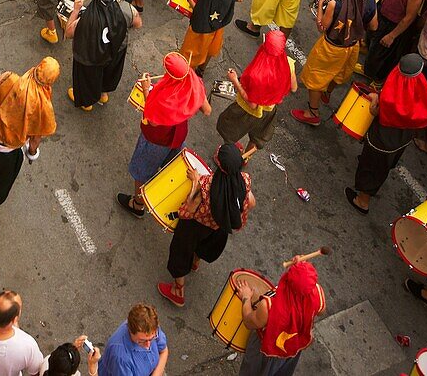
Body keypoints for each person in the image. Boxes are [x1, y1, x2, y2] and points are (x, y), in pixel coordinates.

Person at [157, 143, 254, 308]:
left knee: (181, 250)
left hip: (197, 225)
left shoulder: (206, 184)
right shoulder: (244, 180)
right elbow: (251, 202)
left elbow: (190, 206)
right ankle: (195, 261)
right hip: (219, 227)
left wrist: (195, 180)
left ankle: (177, 291)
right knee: (205, 244)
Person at [117, 51, 211, 218]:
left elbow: (153, 120)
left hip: (156, 139)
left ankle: (138, 205)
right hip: (178, 136)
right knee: (170, 168)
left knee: (141, 171)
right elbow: (207, 110)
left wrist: (147, 90)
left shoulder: (165, 97)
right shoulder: (193, 81)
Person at [346, 54, 427, 214]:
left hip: (382, 140)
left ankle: (362, 202)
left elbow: (375, 110)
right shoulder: (421, 90)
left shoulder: (390, 96)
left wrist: (374, 99)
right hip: (400, 140)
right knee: (383, 165)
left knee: (371, 167)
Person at [0, 58, 60, 212]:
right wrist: (32, 153)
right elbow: (34, 141)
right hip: (4, 152)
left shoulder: (9, 77)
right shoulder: (42, 108)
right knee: (2, 178)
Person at [292, 0, 377, 126]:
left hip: (331, 48)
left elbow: (322, 26)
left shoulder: (336, 4)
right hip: (352, 47)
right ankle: (327, 93)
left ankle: (312, 113)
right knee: (339, 74)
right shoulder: (370, 2)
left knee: (315, 77)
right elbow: (374, 26)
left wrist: (321, 3)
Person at [238, 260, 325, 376]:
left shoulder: (268, 305)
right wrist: (300, 267)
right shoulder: (317, 294)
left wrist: (246, 298)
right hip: (291, 348)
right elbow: (320, 311)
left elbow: (249, 322)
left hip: (265, 351)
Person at [217, 30, 296, 157]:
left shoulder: (257, 75)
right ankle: (245, 159)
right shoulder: (289, 64)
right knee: (257, 137)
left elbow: (252, 104)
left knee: (229, 130)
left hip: (248, 112)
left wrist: (235, 81)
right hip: (269, 111)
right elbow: (294, 88)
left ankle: (227, 157)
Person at [65, 0, 140, 110]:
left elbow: (69, 33)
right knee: (109, 72)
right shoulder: (127, 9)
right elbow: (138, 24)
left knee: (88, 78)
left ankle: (87, 102)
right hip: (116, 50)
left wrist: (76, 10)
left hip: (93, 55)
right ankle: (103, 94)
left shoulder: (86, 18)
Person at [98, 303, 168, 376]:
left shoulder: (151, 326)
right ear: (130, 331)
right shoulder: (120, 357)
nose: (148, 345)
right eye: (142, 341)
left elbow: (164, 351)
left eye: (152, 339)